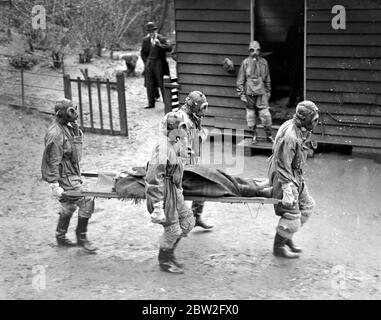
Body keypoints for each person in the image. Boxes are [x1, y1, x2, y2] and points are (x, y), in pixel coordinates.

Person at [41, 98, 97, 253]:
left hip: (71, 170)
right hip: (63, 174)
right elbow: (52, 160)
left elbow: (76, 156)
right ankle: (82, 238)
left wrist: (76, 132)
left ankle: (60, 236)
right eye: (71, 111)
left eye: (74, 109)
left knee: (69, 203)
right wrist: (54, 185)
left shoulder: (66, 127)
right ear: (61, 114)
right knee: (86, 200)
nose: (75, 113)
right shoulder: (56, 133)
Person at [145, 112, 195, 274]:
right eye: (179, 127)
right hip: (163, 192)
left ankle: (170, 253)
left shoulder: (175, 143)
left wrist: (183, 155)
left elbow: (177, 166)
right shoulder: (163, 146)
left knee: (187, 223)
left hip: (174, 189)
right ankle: (164, 261)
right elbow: (153, 176)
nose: (181, 130)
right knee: (173, 229)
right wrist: (157, 205)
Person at [268, 101, 319, 259]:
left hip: (295, 176)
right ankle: (279, 247)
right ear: (304, 119)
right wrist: (287, 189)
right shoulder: (291, 136)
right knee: (292, 215)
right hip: (283, 179)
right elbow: (282, 164)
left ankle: (286, 237)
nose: (315, 122)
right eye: (313, 119)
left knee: (307, 206)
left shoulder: (299, 128)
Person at [173, 91, 213, 229]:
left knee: (202, 183)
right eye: (202, 108)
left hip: (192, 160)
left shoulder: (193, 116)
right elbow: (180, 144)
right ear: (194, 105)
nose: (204, 112)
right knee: (191, 189)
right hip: (181, 165)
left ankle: (196, 216)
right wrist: (201, 137)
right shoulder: (180, 119)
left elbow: (196, 135)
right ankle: (180, 223)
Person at [237, 40, 273, 144]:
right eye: (252, 50)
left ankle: (269, 135)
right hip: (249, 93)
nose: (255, 53)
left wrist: (268, 91)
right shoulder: (245, 63)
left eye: (257, 50)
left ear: (260, 51)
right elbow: (240, 80)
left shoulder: (264, 62)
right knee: (251, 116)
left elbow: (268, 79)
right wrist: (241, 94)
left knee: (266, 116)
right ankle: (254, 135)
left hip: (261, 94)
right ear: (249, 51)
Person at [140, 21, 172, 109]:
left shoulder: (162, 38)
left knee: (162, 83)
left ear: (156, 30)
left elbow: (169, 48)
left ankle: (167, 104)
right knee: (149, 84)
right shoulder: (145, 40)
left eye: (153, 31)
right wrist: (146, 62)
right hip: (149, 64)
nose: (152, 33)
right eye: (150, 31)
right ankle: (151, 103)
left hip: (159, 64)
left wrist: (160, 45)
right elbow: (143, 53)